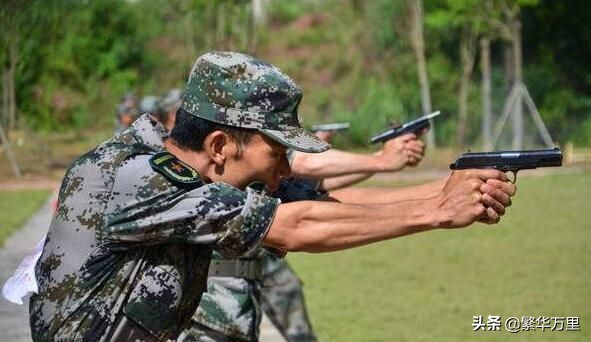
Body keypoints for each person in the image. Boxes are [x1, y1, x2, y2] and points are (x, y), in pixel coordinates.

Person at [30, 51, 515, 341]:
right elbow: (295, 226)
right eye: (277, 152)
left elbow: (316, 206)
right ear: (220, 145)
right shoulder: (135, 176)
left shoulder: (194, 176)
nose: (286, 168)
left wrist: (452, 187)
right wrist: (434, 209)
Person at [183, 129, 427, 341]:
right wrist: (381, 161)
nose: (284, 168)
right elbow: (306, 166)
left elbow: (316, 184)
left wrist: (379, 162)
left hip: (246, 282)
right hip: (214, 294)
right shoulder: (230, 146)